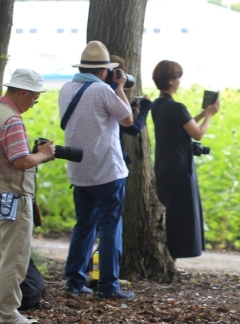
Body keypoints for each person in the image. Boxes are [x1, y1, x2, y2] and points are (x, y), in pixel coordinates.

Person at [0, 68, 56, 324]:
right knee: (15, 256)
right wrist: (44, 154)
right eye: (34, 96)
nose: (35, 102)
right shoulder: (11, 120)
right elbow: (21, 162)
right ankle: (7, 311)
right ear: (22, 92)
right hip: (12, 195)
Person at [59, 41, 135, 300]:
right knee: (110, 227)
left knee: (83, 226)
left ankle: (75, 280)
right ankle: (108, 285)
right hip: (107, 171)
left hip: (80, 172)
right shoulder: (103, 90)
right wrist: (121, 88)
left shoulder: (66, 89)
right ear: (103, 70)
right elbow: (127, 119)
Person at [84, 54, 153, 276]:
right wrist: (144, 109)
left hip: (86, 169)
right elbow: (131, 128)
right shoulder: (107, 92)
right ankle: (103, 278)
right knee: (109, 228)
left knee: (89, 227)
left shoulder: (90, 92)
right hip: (109, 169)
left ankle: (85, 274)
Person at [151, 60, 220, 259]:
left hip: (163, 165)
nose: (180, 82)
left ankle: (168, 251)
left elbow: (182, 124)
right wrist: (209, 116)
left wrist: (200, 113)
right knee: (182, 211)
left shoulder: (158, 105)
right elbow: (197, 134)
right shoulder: (177, 107)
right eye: (178, 77)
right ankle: (180, 251)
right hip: (180, 167)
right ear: (171, 82)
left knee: (169, 209)